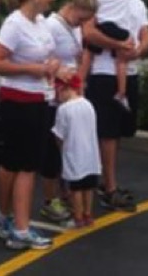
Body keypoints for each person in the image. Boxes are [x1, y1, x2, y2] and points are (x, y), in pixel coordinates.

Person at [0, 0, 58, 250]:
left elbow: (46, 55)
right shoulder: (14, 24)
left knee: (17, 162)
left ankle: (3, 214)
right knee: (25, 165)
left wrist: (53, 67)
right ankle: (21, 228)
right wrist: (31, 69)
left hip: (39, 97)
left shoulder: (40, 22)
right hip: (18, 99)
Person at [84, 0, 148, 211]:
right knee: (107, 133)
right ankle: (109, 187)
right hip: (104, 72)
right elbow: (89, 33)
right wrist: (118, 45)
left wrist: (137, 51)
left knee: (120, 131)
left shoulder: (137, 4)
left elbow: (145, 36)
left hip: (129, 71)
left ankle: (108, 180)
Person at [40, 0, 99, 222]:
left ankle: (66, 191)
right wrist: (58, 74)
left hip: (69, 96)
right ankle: (49, 199)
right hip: (54, 96)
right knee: (52, 150)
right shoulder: (52, 26)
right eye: (82, 18)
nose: (82, 24)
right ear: (74, 7)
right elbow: (43, 58)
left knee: (69, 149)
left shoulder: (74, 29)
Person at [51, 74, 102, 229]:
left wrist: (60, 146)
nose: (57, 96)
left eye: (57, 91)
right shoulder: (88, 104)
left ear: (64, 88)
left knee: (76, 188)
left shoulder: (64, 109)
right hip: (91, 154)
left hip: (74, 154)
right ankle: (88, 214)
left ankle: (78, 217)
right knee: (88, 187)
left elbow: (59, 134)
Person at [85, 0, 133, 111]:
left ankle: (80, 82)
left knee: (88, 52)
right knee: (121, 60)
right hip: (119, 28)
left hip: (102, 25)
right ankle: (122, 92)